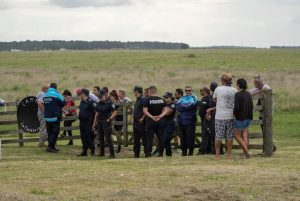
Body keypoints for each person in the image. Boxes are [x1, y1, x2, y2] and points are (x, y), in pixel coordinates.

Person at [213, 73, 237, 160]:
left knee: (218, 136)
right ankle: (229, 155)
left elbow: (214, 98)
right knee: (229, 136)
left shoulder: (218, 89)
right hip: (230, 115)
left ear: (222, 80)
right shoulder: (234, 90)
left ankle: (217, 155)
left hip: (220, 116)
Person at [249, 75, 276, 152]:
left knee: (266, 129)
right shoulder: (258, 88)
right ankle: (270, 146)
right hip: (262, 114)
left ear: (259, 82)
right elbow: (251, 92)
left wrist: (258, 92)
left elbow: (265, 90)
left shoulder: (266, 87)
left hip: (267, 113)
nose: (255, 84)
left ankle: (269, 147)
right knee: (263, 129)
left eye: (256, 82)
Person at [93, 89, 117, 158]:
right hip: (99, 122)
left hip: (106, 122)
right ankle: (102, 152)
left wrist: (110, 118)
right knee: (101, 138)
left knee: (108, 138)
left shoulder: (109, 103)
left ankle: (112, 154)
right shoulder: (98, 104)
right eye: (99, 97)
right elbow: (97, 113)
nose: (100, 98)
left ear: (105, 96)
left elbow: (115, 112)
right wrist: (94, 123)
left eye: (101, 97)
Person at [143, 85, 166, 157]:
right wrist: (160, 116)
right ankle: (161, 153)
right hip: (160, 120)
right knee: (160, 137)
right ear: (156, 91)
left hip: (150, 121)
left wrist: (152, 117)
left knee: (149, 138)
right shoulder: (162, 100)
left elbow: (145, 111)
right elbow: (165, 110)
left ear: (150, 91)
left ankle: (148, 154)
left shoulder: (147, 100)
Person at [233, 78, 253, 159]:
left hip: (240, 118)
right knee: (244, 134)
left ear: (238, 85)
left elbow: (236, 107)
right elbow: (251, 106)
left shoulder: (237, 95)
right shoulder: (249, 94)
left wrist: (233, 114)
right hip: (248, 116)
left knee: (237, 135)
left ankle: (247, 153)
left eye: (237, 84)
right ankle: (245, 153)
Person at [43, 83, 66, 153]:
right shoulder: (57, 94)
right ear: (56, 88)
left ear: (50, 87)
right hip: (55, 117)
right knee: (55, 132)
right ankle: (50, 147)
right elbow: (63, 103)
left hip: (47, 117)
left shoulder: (45, 94)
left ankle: (52, 147)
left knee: (49, 132)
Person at [176, 86, 198, 156]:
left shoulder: (194, 97)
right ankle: (184, 151)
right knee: (182, 136)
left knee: (190, 136)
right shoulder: (183, 97)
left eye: (189, 90)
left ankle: (190, 151)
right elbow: (178, 106)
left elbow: (191, 105)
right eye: (186, 90)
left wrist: (183, 106)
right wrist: (185, 107)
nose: (188, 92)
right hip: (181, 120)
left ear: (192, 90)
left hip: (190, 120)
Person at [206, 82, 224, 155]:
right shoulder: (211, 96)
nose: (212, 87)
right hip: (212, 116)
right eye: (212, 86)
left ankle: (219, 150)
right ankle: (214, 149)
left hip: (218, 116)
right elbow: (209, 106)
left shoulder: (218, 96)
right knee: (212, 134)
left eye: (214, 86)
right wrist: (209, 113)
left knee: (216, 134)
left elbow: (220, 105)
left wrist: (210, 110)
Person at [77, 88, 96, 156]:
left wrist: (94, 123)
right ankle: (84, 151)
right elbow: (80, 109)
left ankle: (92, 151)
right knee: (83, 137)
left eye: (81, 93)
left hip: (88, 122)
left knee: (89, 136)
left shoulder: (91, 102)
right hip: (81, 122)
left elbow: (96, 112)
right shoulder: (82, 101)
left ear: (84, 94)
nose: (80, 95)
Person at [158, 92, 176, 157]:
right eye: (164, 97)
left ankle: (160, 153)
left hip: (170, 123)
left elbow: (168, 113)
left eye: (166, 97)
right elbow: (162, 111)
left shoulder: (173, 104)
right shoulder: (164, 104)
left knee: (165, 138)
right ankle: (169, 153)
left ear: (170, 98)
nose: (165, 99)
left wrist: (164, 110)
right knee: (167, 140)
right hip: (163, 122)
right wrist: (164, 110)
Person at [132, 86, 146, 158]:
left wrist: (142, 118)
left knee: (144, 139)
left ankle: (147, 153)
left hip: (141, 123)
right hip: (135, 122)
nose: (134, 92)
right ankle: (136, 154)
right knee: (136, 139)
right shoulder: (137, 100)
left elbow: (146, 110)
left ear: (137, 91)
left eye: (134, 91)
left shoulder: (143, 100)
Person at [198, 87, 211, 155]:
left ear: (205, 91)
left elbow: (210, 107)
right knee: (205, 134)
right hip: (202, 119)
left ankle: (202, 150)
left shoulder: (209, 98)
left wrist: (209, 114)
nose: (200, 91)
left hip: (207, 119)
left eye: (201, 90)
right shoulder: (203, 98)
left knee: (205, 134)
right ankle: (208, 149)